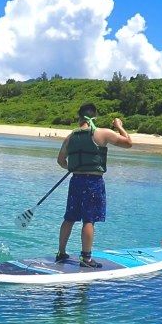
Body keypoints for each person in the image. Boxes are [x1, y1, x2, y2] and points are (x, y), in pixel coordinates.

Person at [55, 103, 132, 267]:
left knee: (69, 217)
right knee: (89, 220)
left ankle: (61, 253)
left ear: (79, 118)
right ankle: (86, 258)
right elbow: (128, 142)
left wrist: (73, 167)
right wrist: (119, 126)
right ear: (94, 117)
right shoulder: (102, 133)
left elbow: (61, 160)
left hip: (75, 180)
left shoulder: (70, 137)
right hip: (93, 182)